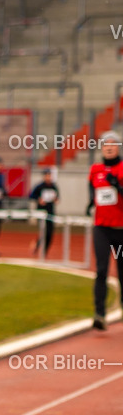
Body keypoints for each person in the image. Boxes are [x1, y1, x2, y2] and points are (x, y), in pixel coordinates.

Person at [87, 130, 123, 331]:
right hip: (102, 228)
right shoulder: (95, 169)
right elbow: (92, 188)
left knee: (122, 271)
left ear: (118, 147)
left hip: (121, 229)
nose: (109, 147)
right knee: (101, 269)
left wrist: (118, 186)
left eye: (113, 144)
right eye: (105, 144)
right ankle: (99, 313)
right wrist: (90, 201)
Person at [28, 168, 59, 257]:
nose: (48, 177)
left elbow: (57, 198)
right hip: (41, 213)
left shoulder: (54, 186)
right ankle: (38, 248)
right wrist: (39, 199)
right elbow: (31, 195)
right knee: (44, 232)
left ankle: (44, 251)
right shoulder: (39, 186)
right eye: (47, 175)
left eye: (50, 175)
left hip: (51, 212)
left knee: (50, 233)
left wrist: (56, 200)